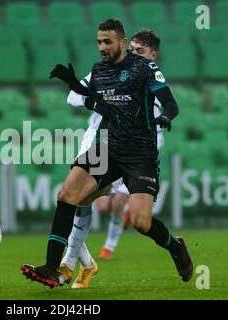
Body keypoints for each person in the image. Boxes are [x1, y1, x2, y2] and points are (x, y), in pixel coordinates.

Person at [21, 18, 193, 289]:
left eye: (107, 41)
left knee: (140, 221)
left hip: (140, 155)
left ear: (122, 43)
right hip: (108, 148)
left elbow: (170, 102)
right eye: (99, 41)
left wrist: (166, 117)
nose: (102, 46)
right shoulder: (98, 71)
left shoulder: (145, 67)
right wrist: (74, 85)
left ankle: (175, 246)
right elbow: (96, 99)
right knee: (67, 195)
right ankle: (52, 268)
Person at [58, 29, 166, 289]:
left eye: (141, 52)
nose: (134, 56)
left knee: (80, 204)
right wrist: (98, 100)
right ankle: (79, 264)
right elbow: (73, 96)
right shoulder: (110, 73)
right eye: (133, 51)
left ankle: (70, 263)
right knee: (74, 204)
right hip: (93, 146)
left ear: (153, 55)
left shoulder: (150, 89)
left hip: (124, 154)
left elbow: (158, 133)